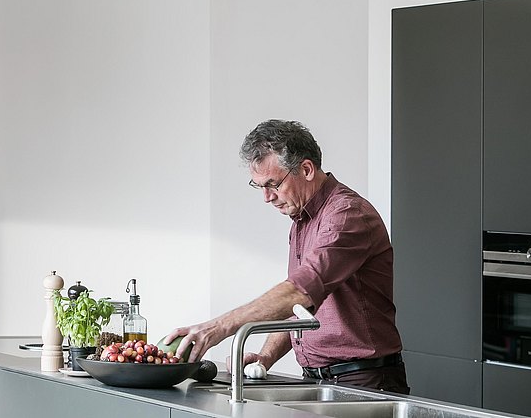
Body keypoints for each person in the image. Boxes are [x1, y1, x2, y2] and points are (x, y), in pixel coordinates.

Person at [164, 119, 409, 394]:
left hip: (364, 381)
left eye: (273, 184)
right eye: (259, 187)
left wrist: (218, 327)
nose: (267, 197)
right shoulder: (301, 221)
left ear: (306, 169)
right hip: (319, 380)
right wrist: (265, 357)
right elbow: (299, 309)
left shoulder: (347, 216)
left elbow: (298, 293)